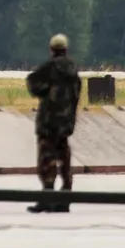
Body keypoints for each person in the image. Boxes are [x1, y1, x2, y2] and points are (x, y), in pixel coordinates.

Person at [25, 33, 82, 213]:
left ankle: (47, 198)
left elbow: (32, 82)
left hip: (49, 122)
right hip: (65, 123)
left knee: (46, 161)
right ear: (66, 49)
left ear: (52, 49)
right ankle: (65, 197)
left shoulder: (49, 68)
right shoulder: (73, 70)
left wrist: (45, 93)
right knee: (64, 159)